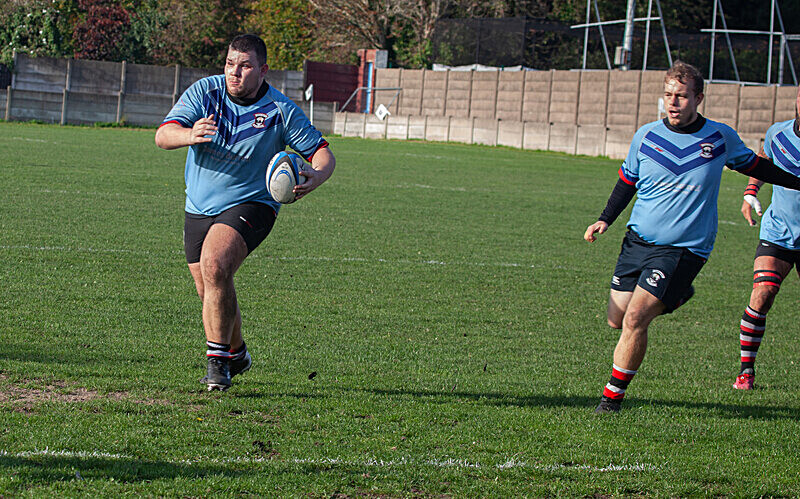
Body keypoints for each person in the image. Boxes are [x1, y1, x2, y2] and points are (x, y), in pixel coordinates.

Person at [583, 61, 800, 414]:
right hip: (637, 241)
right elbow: (627, 181)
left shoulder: (719, 137)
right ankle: (677, 293)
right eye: (668, 94)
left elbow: (756, 166)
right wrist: (604, 219)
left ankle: (611, 399)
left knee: (636, 319)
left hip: (685, 248)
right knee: (616, 319)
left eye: (681, 96)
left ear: (698, 98)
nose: (673, 102)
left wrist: (796, 182)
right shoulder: (646, 136)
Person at [155, 34, 335, 391]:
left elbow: (323, 153)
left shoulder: (280, 110)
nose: (234, 72)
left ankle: (217, 365)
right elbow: (163, 135)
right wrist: (189, 134)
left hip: (253, 204)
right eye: (230, 64)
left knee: (216, 265)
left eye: (245, 66)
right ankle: (237, 353)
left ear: (263, 70)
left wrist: (317, 175)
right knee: (210, 287)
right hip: (199, 205)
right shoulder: (206, 92)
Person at [734, 87, 800, 390]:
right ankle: (746, 372)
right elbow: (763, 160)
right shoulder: (778, 133)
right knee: (762, 293)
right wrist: (751, 191)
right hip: (779, 231)